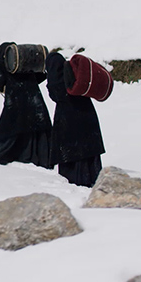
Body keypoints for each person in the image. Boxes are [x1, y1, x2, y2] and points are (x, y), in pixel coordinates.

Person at [0, 42, 52, 167]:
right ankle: (38, 157)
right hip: (34, 98)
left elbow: (0, 80)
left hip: (15, 100)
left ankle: (6, 155)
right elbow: (41, 75)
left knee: (10, 128)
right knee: (35, 126)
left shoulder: (1, 64)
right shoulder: (24, 60)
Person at [45, 51, 105, 187]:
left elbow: (55, 95)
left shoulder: (57, 80)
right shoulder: (74, 76)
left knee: (73, 154)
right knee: (87, 153)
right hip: (87, 115)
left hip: (68, 120)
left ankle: (78, 181)